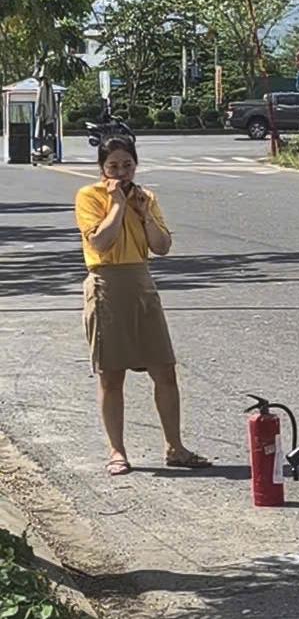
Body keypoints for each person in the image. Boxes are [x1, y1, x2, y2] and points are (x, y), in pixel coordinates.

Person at [74, 137, 210, 476]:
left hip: (142, 283)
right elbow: (101, 242)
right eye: (113, 166)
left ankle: (174, 446)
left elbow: (162, 246)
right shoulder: (89, 197)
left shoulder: (146, 198)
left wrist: (144, 213)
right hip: (108, 284)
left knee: (164, 369)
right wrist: (117, 204)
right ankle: (117, 451)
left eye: (127, 165)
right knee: (111, 375)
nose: (121, 173)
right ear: (102, 169)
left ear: (136, 165)